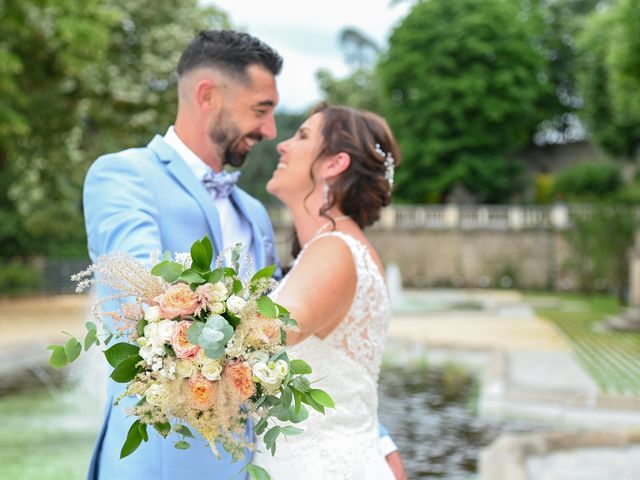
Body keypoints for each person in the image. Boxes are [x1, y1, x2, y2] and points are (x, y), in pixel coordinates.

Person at [83, 30, 404, 479]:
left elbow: (295, 341)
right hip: (161, 462)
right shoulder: (124, 176)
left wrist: (372, 435)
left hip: (254, 462)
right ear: (208, 96)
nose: (271, 132)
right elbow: (141, 302)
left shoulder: (254, 214)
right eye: (261, 110)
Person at [253, 103, 407, 480]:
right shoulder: (338, 245)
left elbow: (266, 332)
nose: (282, 145)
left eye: (302, 136)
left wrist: (184, 319)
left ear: (334, 163)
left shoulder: (334, 250)